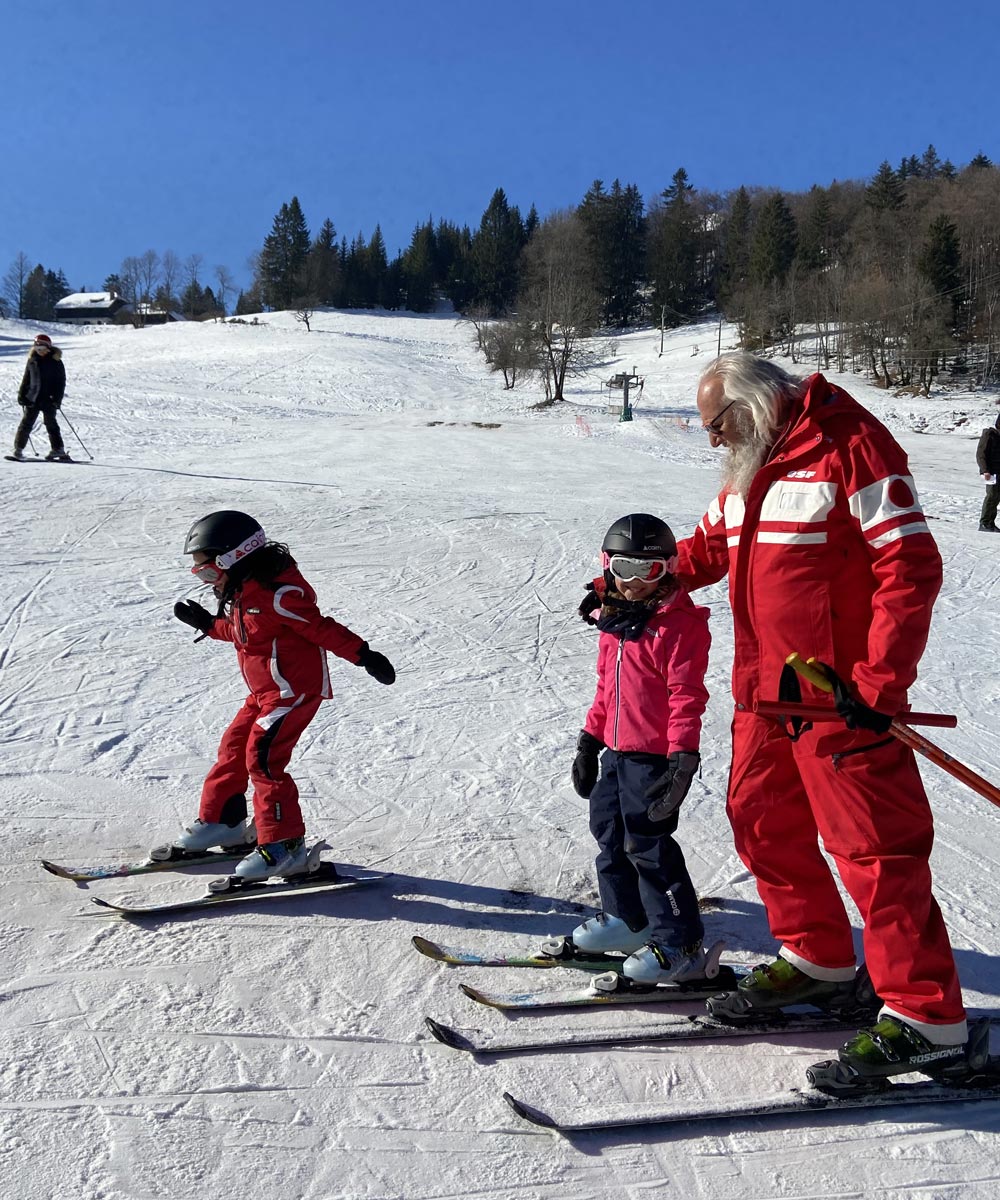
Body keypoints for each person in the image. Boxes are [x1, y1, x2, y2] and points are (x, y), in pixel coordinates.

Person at [676, 351, 967, 1081]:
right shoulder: (751, 465)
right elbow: (710, 548)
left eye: (718, 424)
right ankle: (819, 959)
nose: (714, 441)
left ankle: (928, 1019)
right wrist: (637, 579)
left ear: (758, 404)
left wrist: (879, 682)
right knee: (759, 819)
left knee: (875, 849)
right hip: (765, 693)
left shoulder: (851, 445)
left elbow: (910, 565)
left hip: (839, 697)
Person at [168, 510, 396, 881]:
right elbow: (247, 634)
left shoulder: (279, 596)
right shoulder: (246, 591)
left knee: (264, 759)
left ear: (235, 557)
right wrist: (210, 626)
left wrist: (363, 655)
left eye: (208, 571)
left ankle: (284, 846)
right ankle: (223, 822)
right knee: (233, 747)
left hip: (292, 692)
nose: (206, 580)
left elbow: (321, 629)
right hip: (264, 692)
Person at [568, 513, 712, 985]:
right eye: (623, 568)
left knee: (647, 847)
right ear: (607, 565)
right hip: (615, 752)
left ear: (667, 569)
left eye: (646, 571)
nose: (632, 583)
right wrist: (590, 742)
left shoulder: (678, 626)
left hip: (653, 758)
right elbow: (605, 691)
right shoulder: (617, 621)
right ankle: (629, 920)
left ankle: (680, 942)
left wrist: (681, 762)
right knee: (607, 832)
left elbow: (686, 698)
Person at [12, 333, 70, 461]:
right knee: (26, 424)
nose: (40, 352)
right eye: (38, 349)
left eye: (43, 349)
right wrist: (22, 395)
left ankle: (58, 449)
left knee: (51, 424)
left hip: (49, 399)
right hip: (33, 398)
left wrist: (57, 399)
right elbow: (26, 379)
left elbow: (61, 382)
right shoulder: (32, 361)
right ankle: (18, 449)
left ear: (48, 348)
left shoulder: (55, 361)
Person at [975, 413, 1000, 532]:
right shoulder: (989, 435)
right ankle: (984, 523)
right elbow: (981, 454)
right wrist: (985, 470)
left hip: (998, 472)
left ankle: (990, 523)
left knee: (996, 497)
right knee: (991, 496)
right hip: (990, 473)